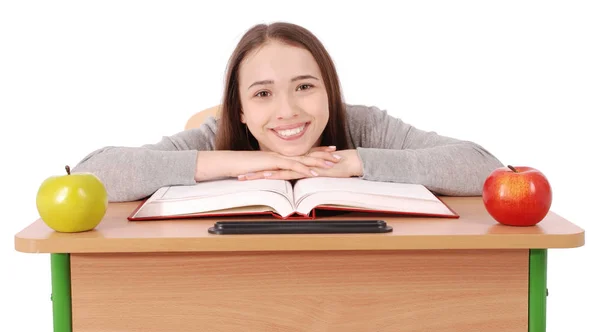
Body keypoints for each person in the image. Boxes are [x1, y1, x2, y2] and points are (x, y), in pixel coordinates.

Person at [72, 22, 504, 202]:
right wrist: (263, 160)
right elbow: (94, 173)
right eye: (262, 94)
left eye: (304, 87)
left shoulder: (365, 125)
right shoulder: (214, 134)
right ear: (239, 109)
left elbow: (484, 169)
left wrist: (349, 161)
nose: (288, 111)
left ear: (329, 91)